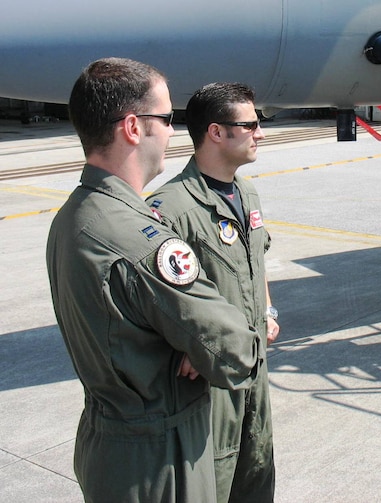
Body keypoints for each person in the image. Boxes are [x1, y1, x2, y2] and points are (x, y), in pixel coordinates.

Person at [46, 58, 264, 502]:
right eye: (166, 119)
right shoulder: (138, 238)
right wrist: (203, 345)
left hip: (110, 445)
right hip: (160, 462)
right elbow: (236, 350)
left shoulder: (74, 216)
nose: (171, 132)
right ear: (132, 128)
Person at [147, 82, 277, 502]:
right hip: (209, 381)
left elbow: (256, 258)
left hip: (254, 366)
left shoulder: (247, 193)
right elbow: (151, 297)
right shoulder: (170, 209)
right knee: (214, 480)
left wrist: (268, 310)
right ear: (216, 132)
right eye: (250, 125)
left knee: (256, 471)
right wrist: (189, 345)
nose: (260, 133)